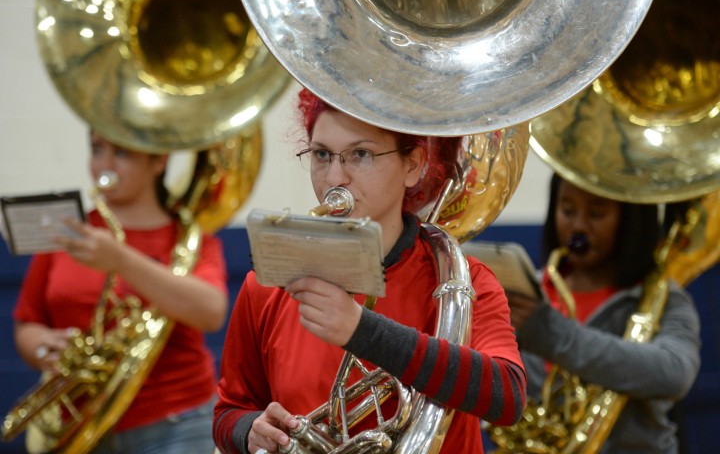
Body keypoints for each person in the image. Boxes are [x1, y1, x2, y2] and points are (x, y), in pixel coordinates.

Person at [212, 88, 527, 454]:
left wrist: (361, 331)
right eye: (322, 155)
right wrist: (250, 431)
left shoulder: (464, 280)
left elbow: (507, 396)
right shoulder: (267, 286)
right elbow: (228, 412)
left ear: (412, 165)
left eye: (360, 155)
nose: (335, 177)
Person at [12, 130, 229, 453]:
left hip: (178, 424)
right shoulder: (69, 233)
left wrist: (120, 259)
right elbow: (27, 322)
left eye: (123, 154)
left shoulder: (187, 238)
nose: (104, 166)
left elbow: (211, 312)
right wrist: (41, 347)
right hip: (79, 426)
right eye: (97, 150)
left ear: (160, 160)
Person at [504, 173, 701, 453]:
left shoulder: (663, 299)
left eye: (596, 214)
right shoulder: (533, 292)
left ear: (630, 221)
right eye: (567, 210)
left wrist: (552, 334)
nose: (578, 226)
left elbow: (674, 373)